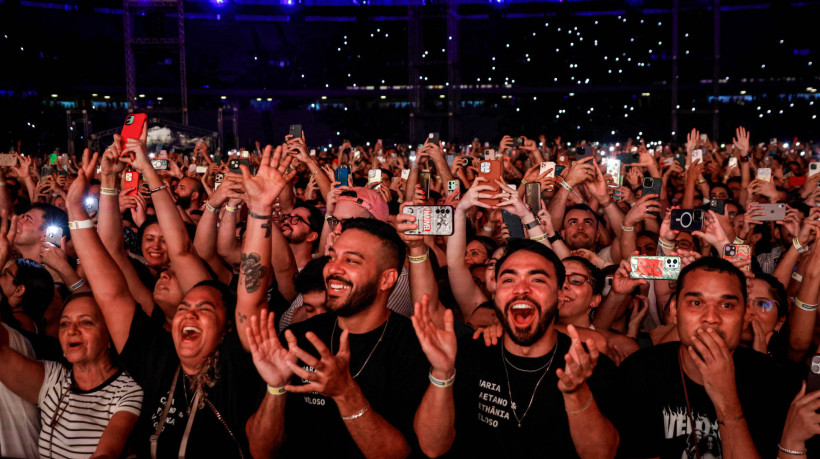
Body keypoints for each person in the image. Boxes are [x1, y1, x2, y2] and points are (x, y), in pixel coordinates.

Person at [65, 134, 293, 457]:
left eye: (205, 309)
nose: (189, 314)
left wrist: (259, 212)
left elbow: (250, 297)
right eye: (185, 307)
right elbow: (110, 294)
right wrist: (75, 210)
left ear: (228, 327)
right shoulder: (159, 357)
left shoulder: (236, 363)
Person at [412, 239, 619, 457]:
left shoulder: (588, 364)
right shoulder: (467, 353)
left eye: (537, 279)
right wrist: (442, 373)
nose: (521, 289)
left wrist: (577, 393)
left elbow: (601, 454)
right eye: (509, 280)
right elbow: (432, 447)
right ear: (496, 292)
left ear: (559, 295)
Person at [245, 218, 429, 458]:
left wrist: (345, 394)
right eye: (332, 257)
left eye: (351, 260)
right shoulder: (297, 338)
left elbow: (399, 454)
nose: (333, 269)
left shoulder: (415, 345)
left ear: (386, 279)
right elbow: (260, 451)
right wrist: (275, 389)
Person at [615, 257, 800, 458]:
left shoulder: (777, 382)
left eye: (726, 305)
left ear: (746, 315)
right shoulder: (641, 371)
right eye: (696, 303)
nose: (711, 318)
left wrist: (727, 402)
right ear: (675, 310)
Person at [0, 288, 142, 458]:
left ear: (110, 335)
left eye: (86, 322)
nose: (71, 330)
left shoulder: (126, 390)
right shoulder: (55, 379)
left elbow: (107, 453)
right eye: (65, 323)